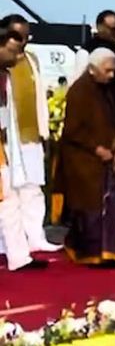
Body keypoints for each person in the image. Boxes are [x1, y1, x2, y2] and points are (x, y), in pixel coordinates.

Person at [54, 48, 115, 267]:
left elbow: (111, 123)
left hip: (104, 157)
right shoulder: (79, 91)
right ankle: (87, 253)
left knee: (107, 207)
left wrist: (114, 152)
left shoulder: (106, 90)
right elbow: (72, 131)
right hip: (83, 159)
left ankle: (107, 253)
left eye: (113, 71)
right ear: (92, 69)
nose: (111, 75)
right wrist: (97, 148)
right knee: (88, 209)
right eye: (107, 70)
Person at [0, 15, 61, 254]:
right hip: (8, 136)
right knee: (9, 192)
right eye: (18, 36)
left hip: (30, 134)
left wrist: (44, 131)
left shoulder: (31, 59)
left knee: (33, 187)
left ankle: (36, 237)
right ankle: (8, 243)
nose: (23, 41)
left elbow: (39, 99)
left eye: (26, 36)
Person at [73, 10, 115, 238]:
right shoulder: (86, 52)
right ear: (100, 27)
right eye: (113, 29)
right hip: (95, 126)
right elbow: (78, 88)